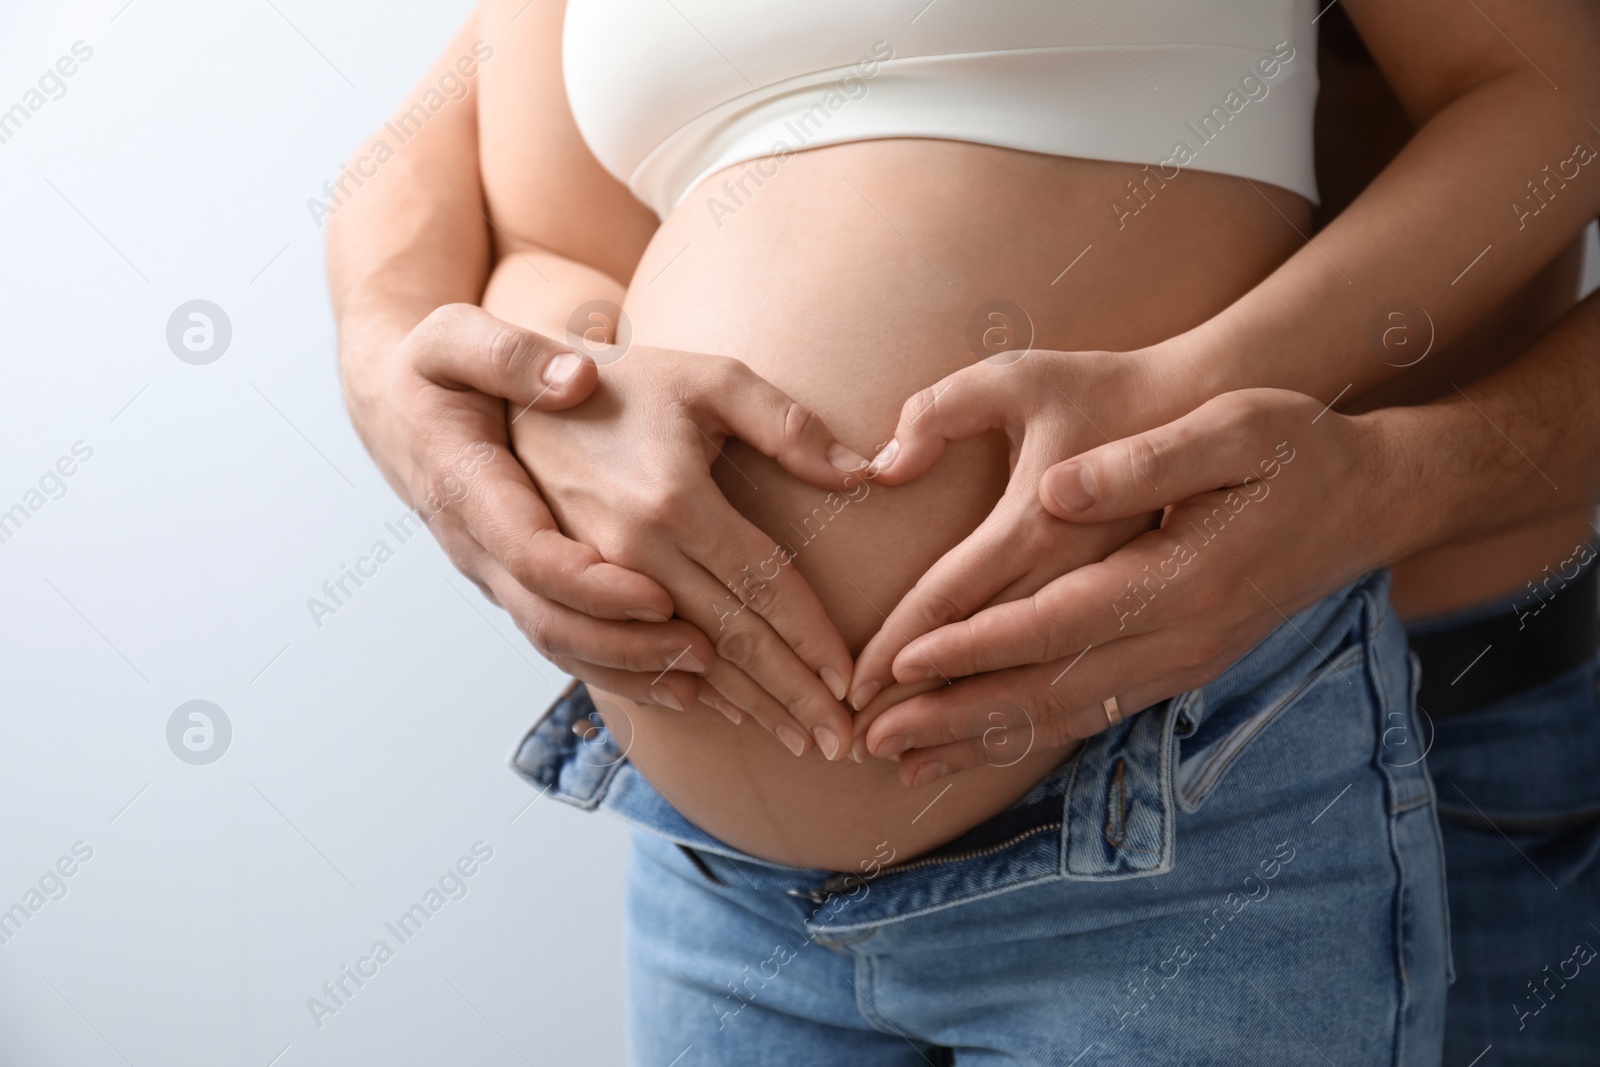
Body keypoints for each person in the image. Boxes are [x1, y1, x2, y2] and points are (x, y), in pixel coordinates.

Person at [327, 1, 1600, 1061]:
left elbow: (1546, 94)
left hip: (1215, 765)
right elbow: (523, 213)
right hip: (715, 876)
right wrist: (560, 386)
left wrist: (1232, 409)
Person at [854, 13, 1600, 1062]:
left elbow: (1557, 104)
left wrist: (1393, 482)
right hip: (742, 843)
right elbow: (551, 232)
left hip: (1430, 739)